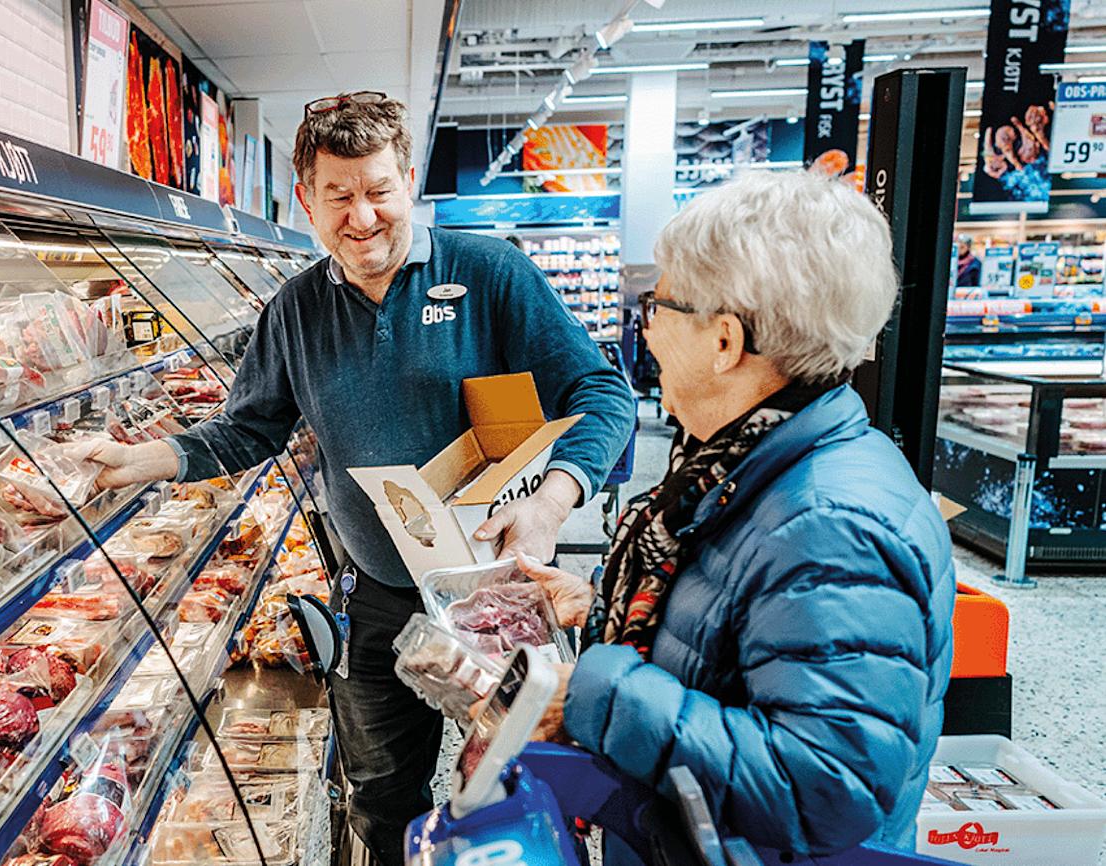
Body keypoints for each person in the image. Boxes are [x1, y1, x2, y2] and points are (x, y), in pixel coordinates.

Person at [90, 92, 636, 864]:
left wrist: (554, 501)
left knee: (525, 781)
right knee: (381, 797)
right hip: (375, 598)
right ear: (306, 200)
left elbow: (602, 391)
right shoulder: (296, 310)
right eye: (338, 196)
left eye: (378, 190)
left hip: (503, 588)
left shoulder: (490, 273)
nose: (362, 216)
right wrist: (149, 459)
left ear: (408, 178)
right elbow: (250, 425)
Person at [512, 169, 956, 863]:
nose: (648, 333)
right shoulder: (750, 464)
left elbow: (824, 786)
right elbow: (752, 641)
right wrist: (603, 607)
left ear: (724, 341)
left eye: (658, 306)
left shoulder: (829, 523)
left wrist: (595, 695)